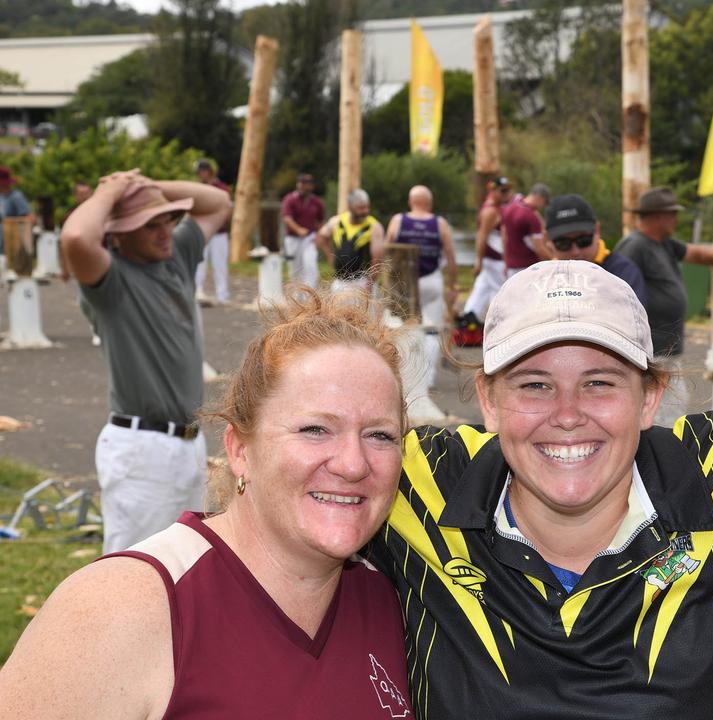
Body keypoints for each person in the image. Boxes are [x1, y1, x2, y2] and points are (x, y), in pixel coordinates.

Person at [366, 260, 713, 719]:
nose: (567, 415)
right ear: (489, 400)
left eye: (599, 383)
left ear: (650, 397)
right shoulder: (420, 482)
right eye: (535, 385)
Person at [0, 288, 414, 718]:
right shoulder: (122, 609)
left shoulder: (396, 604)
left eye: (380, 435)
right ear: (238, 450)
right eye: (315, 429)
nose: (353, 464)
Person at [60, 170, 231, 553]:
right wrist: (112, 190)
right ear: (118, 235)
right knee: (133, 568)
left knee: (184, 563)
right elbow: (75, 237)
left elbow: (219, 203)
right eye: (148, 225)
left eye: (167, 220)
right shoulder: (111, 281)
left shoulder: (176, 258)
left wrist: (145, 187)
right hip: (142, 450)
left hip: (187, 443)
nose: (164, 231)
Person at [616, 187, 713, 424]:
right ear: (658, 216)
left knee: (670, 410)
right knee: (660, 417)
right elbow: (621, 295)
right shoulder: (635, 246)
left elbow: (697, 253)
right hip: (651, 351)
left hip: (665, 350)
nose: (676, 219)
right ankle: (659, 459)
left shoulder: (664, 244)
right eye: (672, 214)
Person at [386, 185, 458, 414]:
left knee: (404, 327)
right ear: (429, 203)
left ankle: (406, 372)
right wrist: (453, 284)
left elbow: (388, 249)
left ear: (410, 201)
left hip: (403, 280)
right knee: (432, 330)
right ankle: (427, 379)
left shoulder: (398, 221)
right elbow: (450, 255)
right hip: (431, 280)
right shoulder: (440, 224)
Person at [543, 193, 647, 302]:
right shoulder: (540, 278)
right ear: (547, 239)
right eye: (563, 243)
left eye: (583, 240)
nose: (575, 251)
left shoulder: (623, 273)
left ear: (597, 230)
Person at [457, 176, 513, 337]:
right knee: (501, 292)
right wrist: (479, 261)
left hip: (494, 260)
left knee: (481, 291)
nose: (507, 194)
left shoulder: (497, 208)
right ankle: (501, 327)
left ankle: (468, 321)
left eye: (508, 190)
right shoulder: (490, 211)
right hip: (494, 261)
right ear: (493, 191)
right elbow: (481, 237)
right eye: (503, 191)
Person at [317, 188, 385, 294]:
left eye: (367, 207)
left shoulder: (374, 227)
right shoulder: (337, 221)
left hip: (362, 282)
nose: (365, 211)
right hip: (340, 282)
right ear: (350, 207)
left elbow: (377, 259)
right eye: (361, 208)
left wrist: (370, 284)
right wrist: (331, 257)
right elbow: (321, 237)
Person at [192, 159, 233, 306]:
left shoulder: (222, 188)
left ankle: (222, 295)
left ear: (208, 171)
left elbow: (228, 209)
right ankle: (198, 292)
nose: (200, 174)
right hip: (202, 231)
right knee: (199, 263)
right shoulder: (197, 188)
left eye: (201, 171)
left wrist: (222, 222)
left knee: (220, 264)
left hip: (219, 232)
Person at [281, 172, 326, 289]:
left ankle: (310, 296)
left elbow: (320, 221)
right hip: (292, 238)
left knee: (310, 266)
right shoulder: (290, 199)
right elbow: (287, 218)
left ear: (311, 186)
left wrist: (319, 237)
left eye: (305, 183)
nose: (302, 186)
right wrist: (298, 229)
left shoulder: (316, 202)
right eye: (300, 183)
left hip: (309, 238)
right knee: (295, 269)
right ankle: (296, 298)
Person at [500, 182, 551, 276]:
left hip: (511, 266)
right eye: (545, 202)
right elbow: (539, 248)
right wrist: (553, 262)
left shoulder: (510, 207)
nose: (542, 207)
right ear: (540, 198)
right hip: (528, 268)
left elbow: (504, 237)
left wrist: (506, 262)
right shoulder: (531, 217)